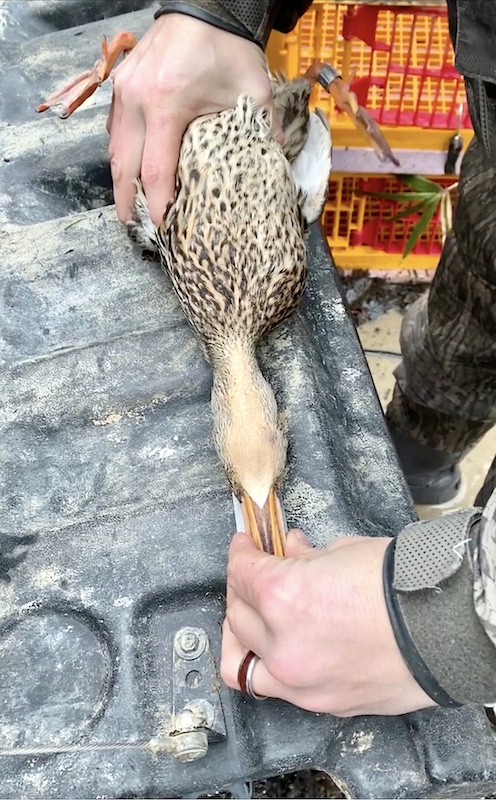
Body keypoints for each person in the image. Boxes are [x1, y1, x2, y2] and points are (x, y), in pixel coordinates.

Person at [107, 0, 496, 715]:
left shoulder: (265, 279)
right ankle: (421, 457)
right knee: (468, 318)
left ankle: (423, 464)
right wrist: (223, 10)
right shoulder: (274, 281)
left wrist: (461, 624)